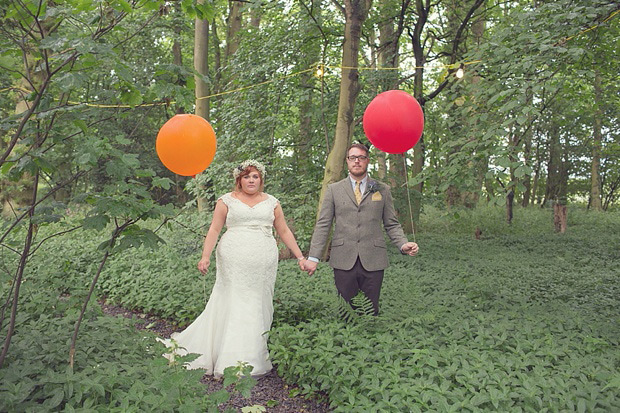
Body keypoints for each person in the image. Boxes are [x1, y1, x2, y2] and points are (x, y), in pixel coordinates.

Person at [160, 160, 306, 377]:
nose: (251, 180)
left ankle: (254, 352)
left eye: (255, 176)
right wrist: (205, 256)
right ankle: (230, 357)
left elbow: (283, 230)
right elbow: (214, 229)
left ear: (261, 179)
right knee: (234, 301)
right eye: (246, 176)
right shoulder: (226, 201)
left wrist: (300, 256)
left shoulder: (272, 203)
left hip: (263, 259)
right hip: (233, 257)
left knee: (258, 301)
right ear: (239, 179)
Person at [303, 143, 419, 315]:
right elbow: (323, 224)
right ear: (347, 161)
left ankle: (371, 340)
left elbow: (391, 223)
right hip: (343, 258)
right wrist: (313, 257)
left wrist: (403, 244)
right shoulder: (334, 190)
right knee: (346, 312)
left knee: (370, 310)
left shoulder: (382, 189)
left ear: (367, 161)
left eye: (361, 157)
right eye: (353, 158)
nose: (357, 161)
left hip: (373, 258)